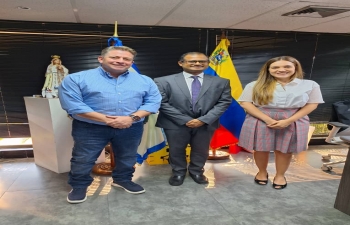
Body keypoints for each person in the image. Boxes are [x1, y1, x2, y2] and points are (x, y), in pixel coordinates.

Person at [58, 46, 161, 203]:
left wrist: (131, 118)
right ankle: (79, 186)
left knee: (127, 156)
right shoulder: (76, 78)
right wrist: (107, 119)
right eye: (114, 57)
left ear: (132, 62)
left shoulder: (145, 80)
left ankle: (123, 179)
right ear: (101, 59)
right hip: (90, 127)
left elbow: (153, 101)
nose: (120, 61)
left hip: (130, 126)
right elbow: (73, 105)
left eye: (126, 59)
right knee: (83, 158)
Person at [238, 56, 324, 189]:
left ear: (295, 68)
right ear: (268, 69)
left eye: (287, 66)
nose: (281, 70)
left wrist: (289, 120)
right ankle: (262, 172)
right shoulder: (254, 84)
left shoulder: (310, 84)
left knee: (285, 149)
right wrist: (267, 119)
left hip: (293, 118)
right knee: (260, 148)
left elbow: (312, 104)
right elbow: (245, 103)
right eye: (276, 67)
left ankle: (280, 175)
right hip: (261, 117)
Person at [154, 52, 232, 186]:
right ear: (181, 63)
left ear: (207, 64)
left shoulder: (221, 82)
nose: (197, 63)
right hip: (174, 123)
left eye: (202, 61)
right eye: (193, 61)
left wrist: (204, 119)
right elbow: (161, 102)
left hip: (205, 123)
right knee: (176, 149)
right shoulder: (163, 81)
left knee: (201, 149)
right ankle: (178, 172)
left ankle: (197, 171)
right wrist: (185, 119)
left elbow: (224, 102)